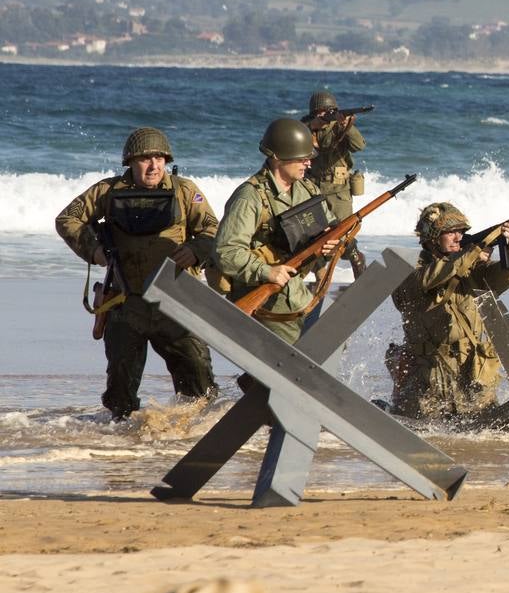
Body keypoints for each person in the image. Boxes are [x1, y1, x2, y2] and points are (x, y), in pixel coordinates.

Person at [55, 127, 218, 421]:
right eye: (145, 158)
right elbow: (68, 219)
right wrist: (94, 250)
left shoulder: (184, 191)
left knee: (200, 389)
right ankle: (123, 453)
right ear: (130, 161)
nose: (154, 165)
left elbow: (211, 230)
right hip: (125, 304)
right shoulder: (108, 191)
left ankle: (189, 441)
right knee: (120, 399)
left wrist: (196, 250)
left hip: (177, 304)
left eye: (159, 158)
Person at [387, 202, 509, 420]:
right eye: (450, 232)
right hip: (429, 377)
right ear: (432, 238)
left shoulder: (471, 267)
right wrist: (470, 254)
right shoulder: (411, 269)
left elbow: (502, 278)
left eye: (461, 232)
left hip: (472, 371)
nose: (458, 238)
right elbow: (427, 280)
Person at [215, 118, 340, 345]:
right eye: (301, 158)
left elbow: (330, 227)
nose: (308, 164)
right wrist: (266, 272)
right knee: (300, 362)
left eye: (309, 158)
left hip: (297, 294)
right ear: (278, 157)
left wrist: (332, 244)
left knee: (331, 342)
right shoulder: (250, 197)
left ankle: (252, 382)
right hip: (267, 303)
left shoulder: (306, 189)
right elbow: (226, 252)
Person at [303, 89, 369, 277]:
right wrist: (314, 125)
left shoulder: (340, 127)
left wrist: (348, 126)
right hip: (313, 189)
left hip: (339, 190)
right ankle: (320, 276)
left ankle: (356, 258)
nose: (325, 115)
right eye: (321, 112)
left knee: (343, 233)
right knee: (315, 236)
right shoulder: (306, 127)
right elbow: (296, 136)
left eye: (329, 111)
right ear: (314, 113)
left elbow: (359, 146)